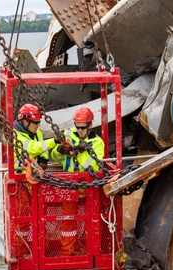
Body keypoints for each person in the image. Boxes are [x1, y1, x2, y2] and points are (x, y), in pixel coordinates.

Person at [51, 107, 105, 256]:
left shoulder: (97, 143)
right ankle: (67, 252)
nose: (79, 130)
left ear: (90, 126)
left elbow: (94, 168)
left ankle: (89, 250)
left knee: (91, 221)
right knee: (68, 221)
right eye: (77, 126)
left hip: (88, 188)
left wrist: (81, 154)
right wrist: (59, 151)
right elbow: (56, 157)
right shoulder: (69, 135)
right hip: (70, 187)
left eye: (82, 127)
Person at [13, 103, 59, 257]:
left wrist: (44, 160)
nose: (39, 126)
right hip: (20, 182)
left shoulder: (35, 133)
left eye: (39, 122)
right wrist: (55, 141)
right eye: (36, 123)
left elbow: (41, 150)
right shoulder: (16, 136)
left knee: (40, 216)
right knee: (23, 220)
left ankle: (40, 247)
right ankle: (21, 250)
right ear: (25, 122)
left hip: (34, 181)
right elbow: (33, 148)